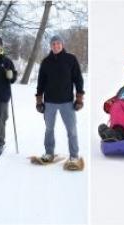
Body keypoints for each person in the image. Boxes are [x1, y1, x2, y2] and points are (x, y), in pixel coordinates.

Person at [35, 35, 85, 169]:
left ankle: (74, 156)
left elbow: (78, 80)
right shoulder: (46, 62)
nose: (56, 46)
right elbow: (41, 82)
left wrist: (79, 98)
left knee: (72, 130)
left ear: (62, 44)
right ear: (50, 46)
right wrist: (39, 101)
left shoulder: (70, 59)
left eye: (58, 43)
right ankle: (49, 153)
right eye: (53, 44)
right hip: (50, 102)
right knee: (49, 129)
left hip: (67, 102)